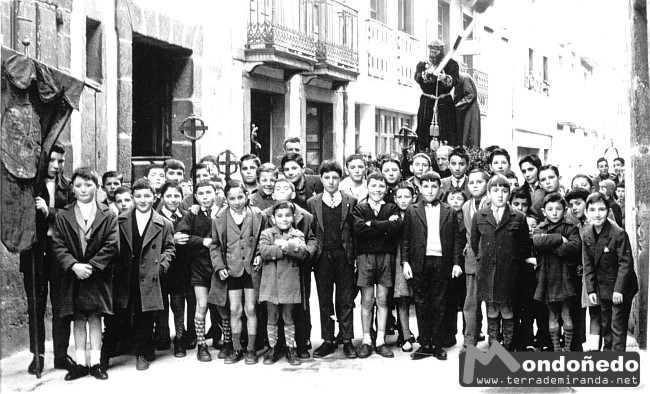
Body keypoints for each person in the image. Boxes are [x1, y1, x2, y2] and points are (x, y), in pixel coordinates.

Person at [52, 167, 119, 380]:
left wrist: (92, 265)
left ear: (97, 187)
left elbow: (112, 244)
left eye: (88, 185)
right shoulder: (63, 215)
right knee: (78, 317)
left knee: (95, 316)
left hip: (97, 273)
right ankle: (80, 363)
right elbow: (58, 244)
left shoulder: (108, 213)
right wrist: (73, 265)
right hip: (73, 274)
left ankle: (96, 362)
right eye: (79, 185)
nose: (83, 190)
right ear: (72, 188)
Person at [20, 143, 76, 375]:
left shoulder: (68, 186)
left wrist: (49, 212)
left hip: (61, 252)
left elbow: (75, 215)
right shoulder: (29, 186)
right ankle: (38, 356)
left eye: (60, 161)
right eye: (52, 160)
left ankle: (61, 356)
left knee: (62, 306)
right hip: (34, 252)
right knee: (36, 306)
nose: (56, 166)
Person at [112, 179, 175, 371]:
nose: (142, 200)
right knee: (119, 313)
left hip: (148, 273)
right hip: (126, 273)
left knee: (144, 315)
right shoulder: (121, 220)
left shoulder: (164, 223)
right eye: (138, 196)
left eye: (147, 196)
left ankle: (142, 353)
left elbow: (170, 248)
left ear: (154, 197)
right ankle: (110, 352)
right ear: (132, 198)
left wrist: (161, 266)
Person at [401, 171, 463, 360]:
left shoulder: (449, 211)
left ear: (440, 188)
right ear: (420, 188)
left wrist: (456, 263)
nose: (429, 190)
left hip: (441, 262)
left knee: (439, 303)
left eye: (434, 186)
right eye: (426, 186)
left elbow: (455, 241)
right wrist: (405, 262)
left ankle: (437, 344)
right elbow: (406, 239)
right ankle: (425, 344)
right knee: (421, 303)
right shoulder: (413, 210)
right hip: (420, 262)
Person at [470, 174, 534, 351]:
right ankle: (494, 344)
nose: (500, 195)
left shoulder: (518, 217)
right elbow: (475, 244)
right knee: (491, 309)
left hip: (509, 274)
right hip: (487, 272)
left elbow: (523, 247)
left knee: (507, 309)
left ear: (509, 194)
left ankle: (508, 344)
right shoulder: (479, 216)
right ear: (488, 194)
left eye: (504, 191)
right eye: (495, 191)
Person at [208, 180, 266, 365]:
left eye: (240, 197)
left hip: (251, 270)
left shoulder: (257, 215)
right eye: (232, 198)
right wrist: (219, 266)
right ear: (226, 199)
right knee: (234, 309)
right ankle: (236, 348)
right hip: (231, 270)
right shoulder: (220, 218)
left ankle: (250, 348)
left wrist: (259, 255)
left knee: (250, 309)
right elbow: (215, 246)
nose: (237, 201)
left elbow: (264, 239)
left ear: (247, 196)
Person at [307, 160, 358, 359]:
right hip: (322, 258)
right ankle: (328, 339)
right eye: (327, 177)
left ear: (340, 178)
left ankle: (346, 340)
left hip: (344, 256)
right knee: (324, 299)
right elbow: (311, 231)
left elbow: (354, 232)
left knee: (345, 299)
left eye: (335, 178)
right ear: (321, 179)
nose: (331, 181)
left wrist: (353, 258)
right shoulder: (313, 203)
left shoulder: (350, 201)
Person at [265, 178, 318, 358]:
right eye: (277, 188)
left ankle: (299, 344)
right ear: (272, 194)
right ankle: (275, 346)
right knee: (273, 310)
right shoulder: (264, 215)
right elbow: (260, 243)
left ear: (293, 193)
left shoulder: (305, 216)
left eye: (285, 188)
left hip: (296, 268)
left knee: (298, 307)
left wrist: (304, 252)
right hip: (272, 270)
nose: (281, 191)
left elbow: (311, 241)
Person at [353, 172, 402, 358]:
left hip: (385, 257)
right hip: (365, 257)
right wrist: (383, 226)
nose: (377, 190)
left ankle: (380, 340)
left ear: (386, 188)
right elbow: (359, 230)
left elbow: (395, 228)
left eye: (381, 186)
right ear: (367, 187)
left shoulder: (391, 207)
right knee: (367, 300)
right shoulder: (360, 208)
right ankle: (366, 339)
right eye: (373, 186)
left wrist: (371, 224)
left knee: (382, 299)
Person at [584, 193, 638, 351]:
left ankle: (617, 362)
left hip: (621, 288)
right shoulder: (587, 234)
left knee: (617, 326)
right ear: (586, 212)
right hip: (603, 289)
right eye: (592, 210)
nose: (597, 214)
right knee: (606, 325)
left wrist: (618, 290)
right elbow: (588, 264)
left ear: (608, 211)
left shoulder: (618, 233)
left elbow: (625, 263)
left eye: (602, 209)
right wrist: (591, 289)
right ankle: (608, 360)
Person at [174, 180, 220, 362]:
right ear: (196, 197)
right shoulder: (192, 215)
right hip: (199, 267)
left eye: (209, 192)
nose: (205, 197)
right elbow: (183, 237)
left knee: (221, 307)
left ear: (216, 193)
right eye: (201, 194)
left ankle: (224, 340)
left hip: (218, 266)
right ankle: (202, 345)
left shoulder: (223, 212)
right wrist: (202, 241)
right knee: (201, 306)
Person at [259, 201, 309, 366]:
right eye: (280, 216)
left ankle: (290, 347)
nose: (284, 219)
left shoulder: (298, 234)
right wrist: (286, 249)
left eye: (288, 215)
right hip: (271, 283)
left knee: (289, 317)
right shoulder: (267, 233)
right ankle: (272, 348)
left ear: (293, 217)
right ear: (273, 218)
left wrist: (285, 245)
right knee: (271, 317)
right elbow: (265, 252)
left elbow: (302, 252)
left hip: (289, 283)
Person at [532, 193, 582, 352]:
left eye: (558, 209)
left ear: (564, 210)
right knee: (552, 314)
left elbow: (574, 246)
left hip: (565, 276)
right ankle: (556, 348)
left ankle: (567, 348)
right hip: (547, 278)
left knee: (566, 313)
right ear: (543, 211)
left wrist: (550, 245)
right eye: (550, 209)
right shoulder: (540, 228)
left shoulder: (570, 227)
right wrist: (560, 238)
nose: (554, 212)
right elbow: (538, 241)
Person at [157, 181, 196, 358]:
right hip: (163, 266)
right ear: (162, 197)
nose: (173, 200)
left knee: (179, 304)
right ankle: (163, 334)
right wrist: (173, 239)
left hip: (182, 266)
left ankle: (180, 337)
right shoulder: (156, 216)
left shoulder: (187, 215)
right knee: (162, 303)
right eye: (169, 196)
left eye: (176, 196)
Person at [565, 188, 598, 351]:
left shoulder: (595, 223)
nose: (574, 208)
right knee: (580, 311)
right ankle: (580, 347)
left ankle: (597, 350)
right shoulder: (577, 225)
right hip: (583, 275)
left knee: (596, 314)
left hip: (597, 275)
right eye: (571, 205)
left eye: (578, 203)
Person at [460, 169, 490, 352]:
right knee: (471, 302)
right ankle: (469, 341)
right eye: (471, 182)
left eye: (479, 182)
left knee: (493, 303)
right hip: (472, 258)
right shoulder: (465, 207)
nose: (475, 185)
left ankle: (495, 339)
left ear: (487, 184)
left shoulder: (493, 203)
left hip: (491, 258)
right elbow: (469, 234)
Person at [509, 187, 540, 352]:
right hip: (514, 274)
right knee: (513, 310)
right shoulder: (509, 222)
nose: (520, 208)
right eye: (516, 204)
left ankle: (527, 340)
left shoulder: (531, 224)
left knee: (528, 309)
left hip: (530, 277)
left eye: (524, 204)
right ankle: (514, 340)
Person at [415, 40, 460, 150]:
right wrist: (425, 74)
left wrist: (445, 78)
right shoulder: (422, 64)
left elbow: (455, 80)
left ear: (441, 52)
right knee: (424, 132)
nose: (432, 55)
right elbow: (417, 77)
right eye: (431, 52)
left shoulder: (451, 64)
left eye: (435, 52)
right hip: (427, 102)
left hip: (444, 103)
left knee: (447, 131)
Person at [392, 182, 417, 352]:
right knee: (402, 297)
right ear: (394, 199)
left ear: (414, 197)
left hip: (417, 257)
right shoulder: (393, 215)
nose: (403, 200)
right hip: (398, 258)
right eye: (399, 197)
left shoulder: (417, 213)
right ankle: (405, 335)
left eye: (407, 196)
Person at [454, 71, 482, 147]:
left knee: (469, 134)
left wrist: (456, 106)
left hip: (470, 109)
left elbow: (470, 95)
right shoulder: (457, 79)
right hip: (464, 109)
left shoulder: (464, 78)